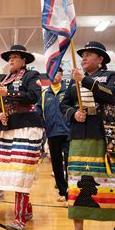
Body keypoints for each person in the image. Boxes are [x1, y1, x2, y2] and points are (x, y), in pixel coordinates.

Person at [59, 41, 115, 230]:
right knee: (77, 180)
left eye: (89, 54)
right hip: (80, 136)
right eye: (83, 54)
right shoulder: (72, 81)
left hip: (106, 135)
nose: (84, 57)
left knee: (114, 180)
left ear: (101, 60)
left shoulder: (112, 76)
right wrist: (73, 113)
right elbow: (63, 104)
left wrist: (86, 80)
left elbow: (110, 95)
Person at [0, 44, 44, 230]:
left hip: (27, 127)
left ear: (24, 60)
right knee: (13, 171)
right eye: (9, 58)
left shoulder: (31, 76)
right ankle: (27, 208)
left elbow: (33, 96)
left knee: (22, 171)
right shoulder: (5, 79)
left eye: (15, 57)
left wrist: (10, 94)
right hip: (9, 128)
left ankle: (20, 218)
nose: (11, 60)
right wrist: (0, 113)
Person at [37, 67, 70, 205]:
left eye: (56, 72)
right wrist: (44, 125)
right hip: (52, 133)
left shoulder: (68, 91)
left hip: (68, 132)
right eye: (51, 73)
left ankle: (71, 192)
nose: (54, 75)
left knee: (70, 164)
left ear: (62, 75)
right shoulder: (45, 94)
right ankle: (62, 192)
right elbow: (39, 111)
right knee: (56, 165)